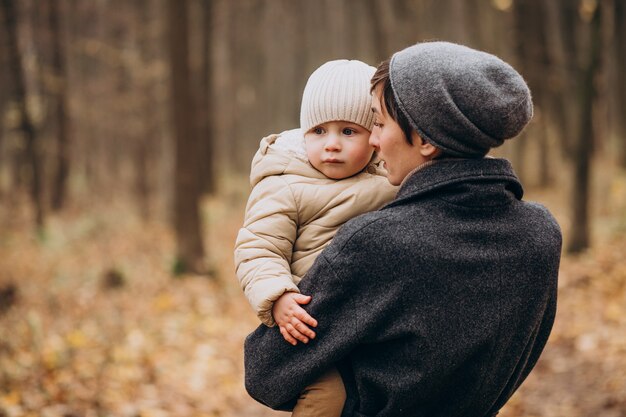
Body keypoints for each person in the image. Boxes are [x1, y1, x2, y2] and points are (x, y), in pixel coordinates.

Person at [244, 41, 562, 417]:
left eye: (376, 123)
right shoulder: (542, 234)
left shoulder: (376, 242)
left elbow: (266, 372)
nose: (373, 141)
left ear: (426, 140)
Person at [234, 59, 397, 417]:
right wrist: (278, 296)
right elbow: (258, 247)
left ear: (375, 137)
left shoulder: (392, 179)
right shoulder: (285, 182)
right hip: (311, 324)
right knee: (327, 396)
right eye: (319, 131)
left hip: (372, 321)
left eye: (348, 132)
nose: (332, 145)